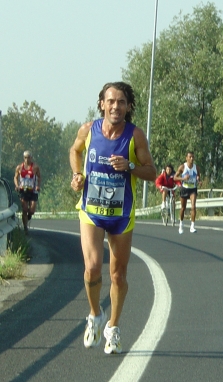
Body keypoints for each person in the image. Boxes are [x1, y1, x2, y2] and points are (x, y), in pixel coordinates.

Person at [69, 81, 156, 354]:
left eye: (121, 102)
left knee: (118, 275)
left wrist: (130, 166)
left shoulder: (135, 136)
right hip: (91, 212)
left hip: (121, 215)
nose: (116, 106)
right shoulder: (88, 130)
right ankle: (95, 315)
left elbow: (151, 172)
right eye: (111, 101)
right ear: (101, 104)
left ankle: (113, 328)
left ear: (128, 106)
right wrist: (76, 175)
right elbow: (75, 151)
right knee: (92, 268)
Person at [14, 150, 41, 233]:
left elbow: (39, 177)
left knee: (32, 210)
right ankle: (25, 227)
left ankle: (29, 215)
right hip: (23, 190)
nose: (27, 159)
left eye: (28, 157)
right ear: (23, 158)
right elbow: (15, 177)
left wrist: (38, 186)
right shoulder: (19, 167)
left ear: (31, 158)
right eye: (25, 158)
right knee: (24, 209)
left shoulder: (35, 167)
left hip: (32, 191)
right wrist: (17, 185)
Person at [174, 151, 201, 234]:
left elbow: (198, 176)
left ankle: (192, 226)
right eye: (190, 157)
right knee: (183, 208)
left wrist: (199, 181)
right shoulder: (182, 167)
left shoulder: (196, 168)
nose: (191, 159)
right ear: (186, 158)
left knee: (193, 206)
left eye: (193, 157)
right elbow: (175, 178)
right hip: (184, 188)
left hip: (193, 189)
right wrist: (183, 179)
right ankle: (181, 225)